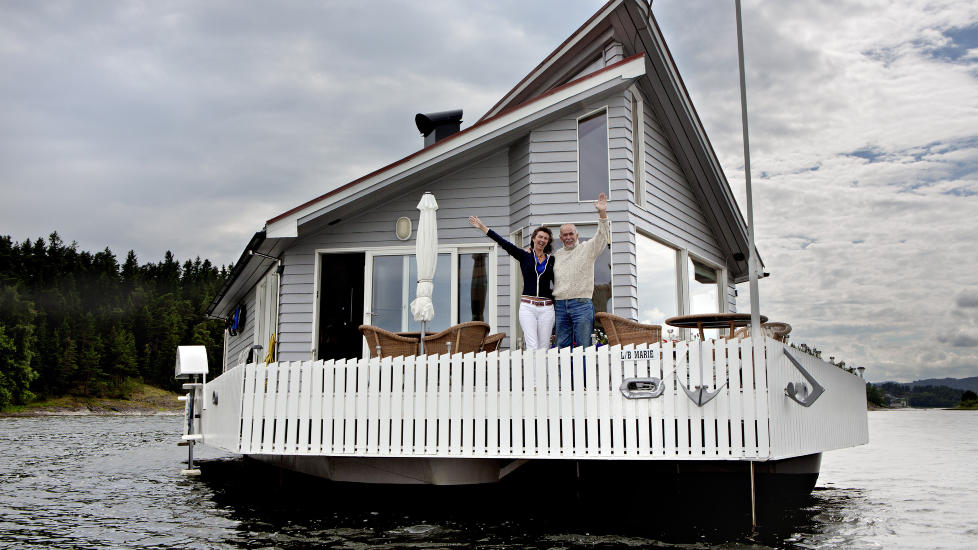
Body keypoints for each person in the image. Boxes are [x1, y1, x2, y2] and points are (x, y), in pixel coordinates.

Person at [468, 216, 555, 350]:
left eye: (545, 238)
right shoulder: (524, 256)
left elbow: (557, 283)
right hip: (528, 307)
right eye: (540, 237)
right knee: (532, 346)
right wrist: (482, 227)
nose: (542, 240)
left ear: (548, 242)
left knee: (544, 347)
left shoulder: (552, 260)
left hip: (546, 308)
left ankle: (543, 365)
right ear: (533, 238)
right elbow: (503, 243)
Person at [552, 192, 610, 348]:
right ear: (561, 238)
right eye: (565, 235)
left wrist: (602, 213)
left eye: (571, 234)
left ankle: (583, 368)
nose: (568, 237)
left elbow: (602, 237)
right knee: (561, 348)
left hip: (581, 304)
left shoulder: (587, 249)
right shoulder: (556, 256)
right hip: (560, 305)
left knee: (584, 347)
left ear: (577, 235)